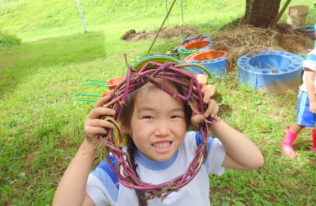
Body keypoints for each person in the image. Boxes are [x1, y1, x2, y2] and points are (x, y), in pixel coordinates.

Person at [53, 77, 264, 206]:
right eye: (148, 117)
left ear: (187, 119)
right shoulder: (118, 169)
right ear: (126, 125)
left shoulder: (194, 147)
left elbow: (253, 160)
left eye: (174, 116)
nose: (163, 131)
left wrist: (213, 121)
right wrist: (88, 145)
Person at [281, 48, 316, 159]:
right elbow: (308, 80)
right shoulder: (313, 56)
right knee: (302, 122)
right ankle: (286, 143)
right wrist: (313, 101)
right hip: (309, 95)